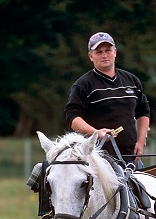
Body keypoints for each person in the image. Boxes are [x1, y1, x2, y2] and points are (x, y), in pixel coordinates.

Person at [64, 32, 150, 167]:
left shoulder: (132, 80)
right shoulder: (83, 85)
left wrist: (141, 141)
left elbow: (143, 111)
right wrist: (96, 133)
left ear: (115, 52)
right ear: (90, 56)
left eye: (108, 50)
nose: (104, 55)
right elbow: (73, 118)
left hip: (131, 159)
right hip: (99, 160)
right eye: (98, 52)